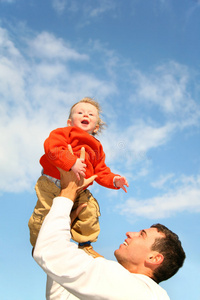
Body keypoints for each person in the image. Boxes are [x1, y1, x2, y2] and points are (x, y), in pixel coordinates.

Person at [33, 150, 186, 300]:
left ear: (154, 258)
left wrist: (68, 192)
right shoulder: (140, 292)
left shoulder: (135, 289)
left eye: (142, 235)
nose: (129, 233)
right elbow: (59, 296)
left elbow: (49, 251)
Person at [28, 97, 128, 257]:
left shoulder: (97, 147)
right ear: (69, 122)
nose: (85, 115)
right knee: (44, 214)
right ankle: (38, 243)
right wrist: (71, 162)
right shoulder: (63, 133)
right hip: (51, 183)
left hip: (79, 189)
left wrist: (114, 180)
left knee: (90, 211)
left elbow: (101, 171)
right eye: (80, 112)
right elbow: (52, 148)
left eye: (91, 114)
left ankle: (85, 244)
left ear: (96, 127)